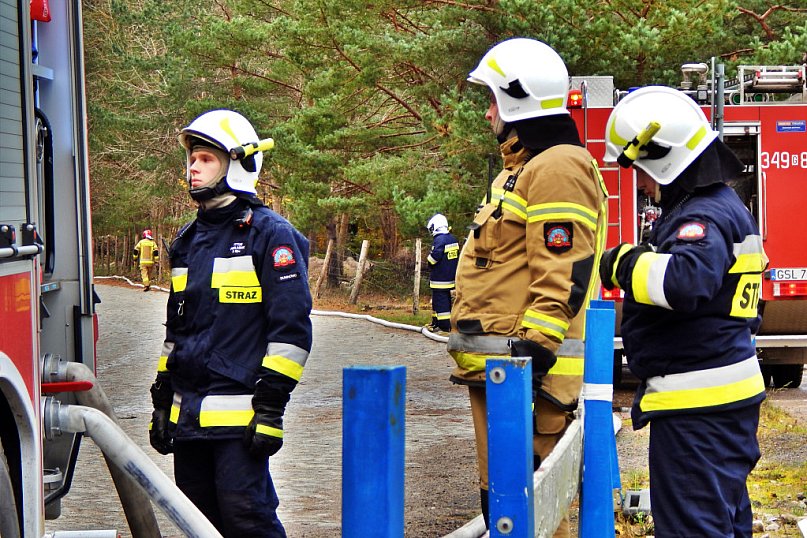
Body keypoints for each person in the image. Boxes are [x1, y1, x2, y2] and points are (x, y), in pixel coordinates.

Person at [448, 37, 608, 535]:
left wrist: (533, 353)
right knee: (508, 509)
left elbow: (563, 272)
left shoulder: (556, 168)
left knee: (531, 513)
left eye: (493, 100)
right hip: (503, 373)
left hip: (526, 377)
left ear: (518, 99)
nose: (487, 113)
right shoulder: (521, 172)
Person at [598, 86, 767, 537]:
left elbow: (684, 281)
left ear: (663, 158)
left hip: (698, 412)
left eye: (640, 169)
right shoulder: (724, 206)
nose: (639, 183)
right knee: (724, 524)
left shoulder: (703, 217)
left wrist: (621, 263)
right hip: (720, 405)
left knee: (693, 528)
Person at [148, 109, 312, 537]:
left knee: (247, 519)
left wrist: (272, 407)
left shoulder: (270, 235)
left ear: (238, 164)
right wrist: (162, 398)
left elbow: (290, 332)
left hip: (241, 421)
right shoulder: (187, 242)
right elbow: (176, 333)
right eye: (192, 159)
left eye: (206, 158)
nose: (193, 167)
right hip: (189, 420)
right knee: (198, 524)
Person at [425, 213, 459, 334]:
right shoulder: (452, 239)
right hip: (450, 277)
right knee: (442, 300)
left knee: (440, 301)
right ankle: (435, 322)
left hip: (439, 278)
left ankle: (444, 326)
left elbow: (435, 257)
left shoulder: (439, 240)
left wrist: (428, 261)